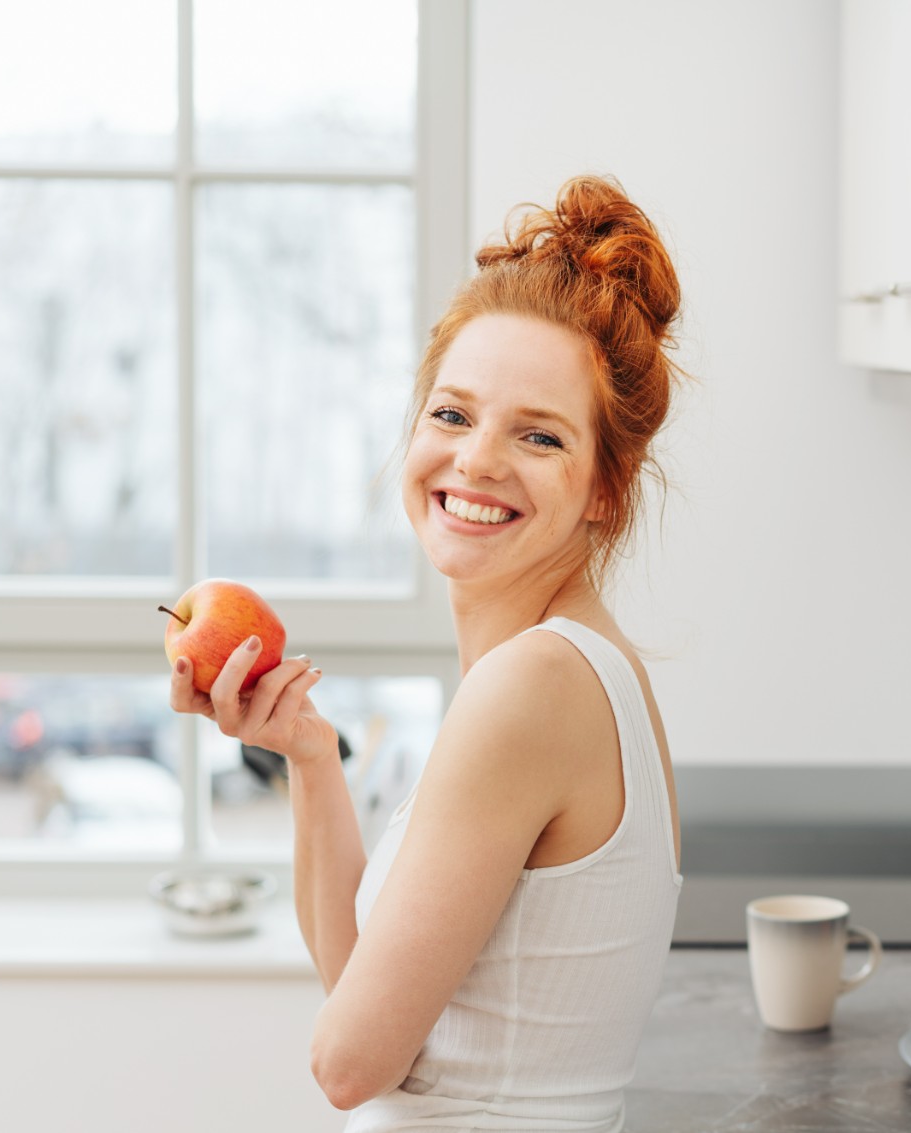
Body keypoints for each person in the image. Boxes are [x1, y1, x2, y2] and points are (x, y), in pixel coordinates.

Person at [168, 173, 690, 1131]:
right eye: (451, 414)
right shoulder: (573, 668)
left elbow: (349, 1059)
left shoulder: (530, 685)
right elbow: (368, 993)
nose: (478, 460)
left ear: (606, 490)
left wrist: (347, 1039)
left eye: (538, 434)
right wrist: (311, 755)